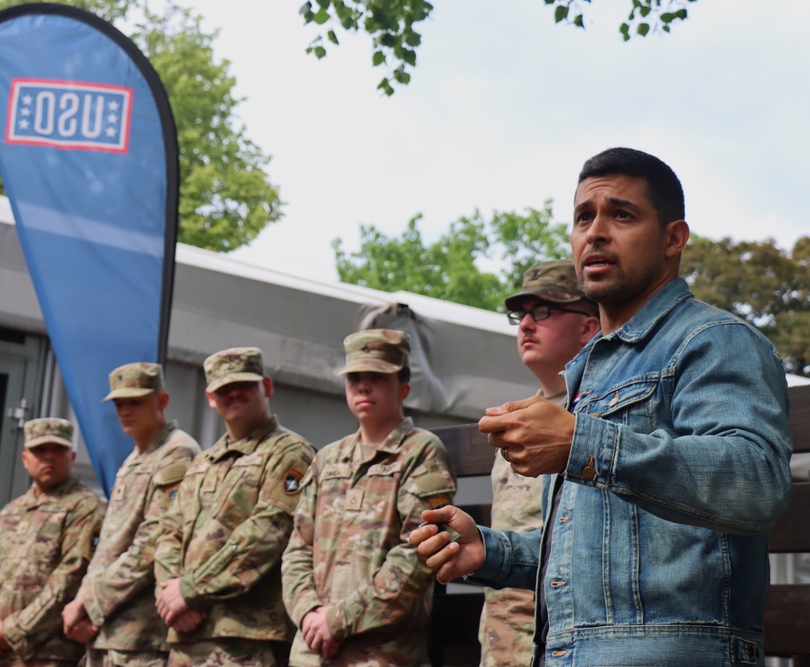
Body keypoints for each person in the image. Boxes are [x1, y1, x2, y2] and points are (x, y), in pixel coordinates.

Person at [411, 147, 793, 666]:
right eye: (583, 217)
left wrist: (579, 442)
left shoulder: (715, 340)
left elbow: (756, 482)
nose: (595, 232)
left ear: (673, 239)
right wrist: (488, 550)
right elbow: (588, 559)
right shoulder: (589, 370)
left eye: (622, 214)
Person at [281, 329, 457, 666]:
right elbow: (297, 549)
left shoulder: (421, 451)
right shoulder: (327, 459)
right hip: (312, 651)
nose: (362, 386)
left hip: (381, 654)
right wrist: (309, 615)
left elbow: (417, 553)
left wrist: (338, 620)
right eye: (354, 378)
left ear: (402, 387)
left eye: (376, 377)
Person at [154, 347, 316, 667]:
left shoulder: (289, 452)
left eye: (244, 384)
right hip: (188, 635)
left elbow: (267, 534)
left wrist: (189, 591)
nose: (234, 393)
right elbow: (168, 533)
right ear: (211, 398)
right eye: (223, 389)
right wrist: (169, 593)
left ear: (266, 387)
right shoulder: (202, 462)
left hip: (246, 637)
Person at [478, 261, 600, 667]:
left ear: (589, 326)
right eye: (521, 313)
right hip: (502, 644)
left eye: (544, 310)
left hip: (566, 644)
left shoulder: (601, 421)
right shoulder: (516, 417)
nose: (526, 324)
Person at [62, 362, 200, 666]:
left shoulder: (177, 453)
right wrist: (83, 600)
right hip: (110, 630)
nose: (125, 411)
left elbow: (153, 545)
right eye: (119, 404)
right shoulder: (134, 459)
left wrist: (88, 601)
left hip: (142, 635)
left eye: (135, 402)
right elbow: (109, 546)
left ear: (161, 401)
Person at [0, 417, 104, 666]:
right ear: (25, 459)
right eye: (40, 450)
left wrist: (12, 631)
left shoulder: (83, 507)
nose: (49, 457)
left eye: (57, 449)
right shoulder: (12, 510)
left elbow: (68, 580)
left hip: (48, 653)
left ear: (72, 457)